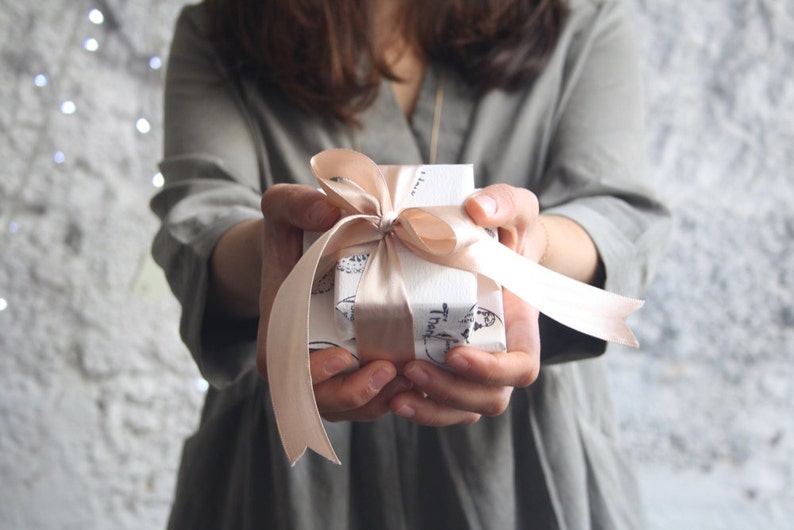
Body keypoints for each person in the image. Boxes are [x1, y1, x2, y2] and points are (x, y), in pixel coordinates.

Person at [151, 0, 671, 527]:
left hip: (522, 453)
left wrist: (522, 247)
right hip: (291, 453)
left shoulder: (578, 18)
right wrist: (282, 250)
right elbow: (199, 219)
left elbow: (616, 212)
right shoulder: (225, 25)